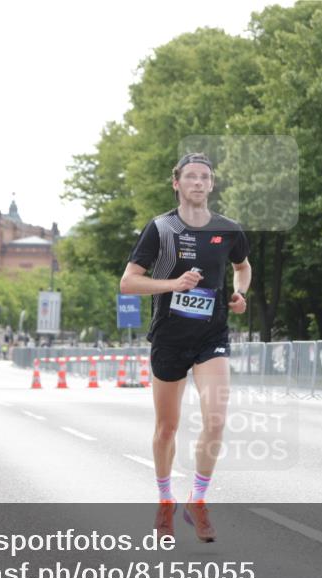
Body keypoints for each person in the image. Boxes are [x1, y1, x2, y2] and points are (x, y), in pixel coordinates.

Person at [119, 152, 251, 542]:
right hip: (169, 338)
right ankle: (165, 503)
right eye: (190, 176)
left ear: (211, 185)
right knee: (167, 427)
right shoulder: (160, 229)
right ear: (176, 183)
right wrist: (172, 285)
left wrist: (240, 294)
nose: (197, 182)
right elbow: (128, 282)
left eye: (204, 177)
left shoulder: (229, 230)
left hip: (211, 337)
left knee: (215, 419)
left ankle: (198, 500)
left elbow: (242, 267)